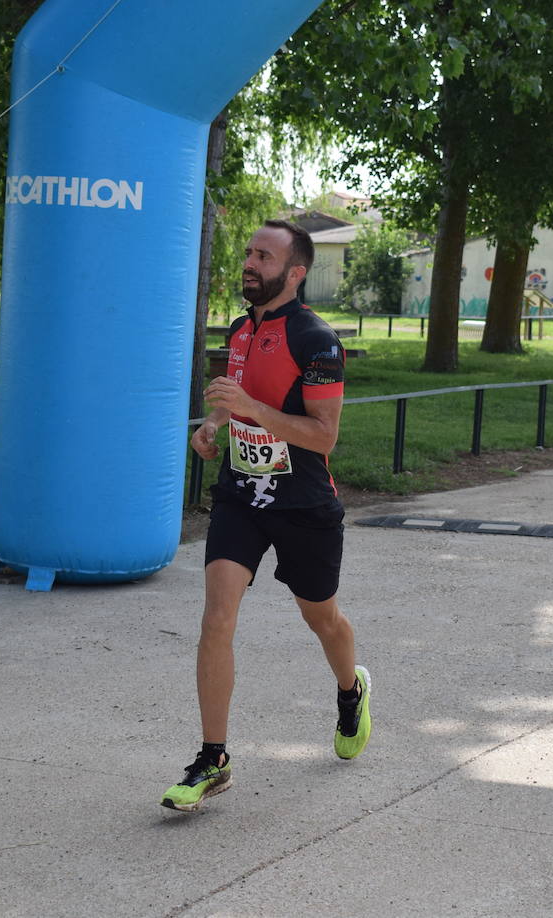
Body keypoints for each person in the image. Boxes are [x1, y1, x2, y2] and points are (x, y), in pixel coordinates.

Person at [161, 219, 372, 812]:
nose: (250, 263)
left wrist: (249, 407)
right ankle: (214, 757)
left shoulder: (317, 341)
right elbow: (236, 401)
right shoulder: (239, 330)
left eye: (264, 256)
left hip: (303, 505)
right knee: (217, 617)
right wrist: (213, 428)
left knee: (322, 618)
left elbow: (323, 437)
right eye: (249, 253)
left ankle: (350, 689)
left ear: (295, 272)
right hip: (240, 497)